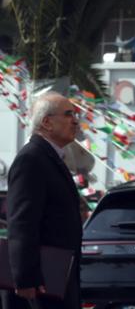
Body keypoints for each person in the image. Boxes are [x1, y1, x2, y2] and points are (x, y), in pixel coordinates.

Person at [4, 92, 83, 309]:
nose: (75, 121)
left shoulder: (51, 157)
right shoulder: (31, 158)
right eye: (68, 114)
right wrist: (25, 278)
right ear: (47, 122)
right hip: (41, 281)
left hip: (59, 274)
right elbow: (22, 222)